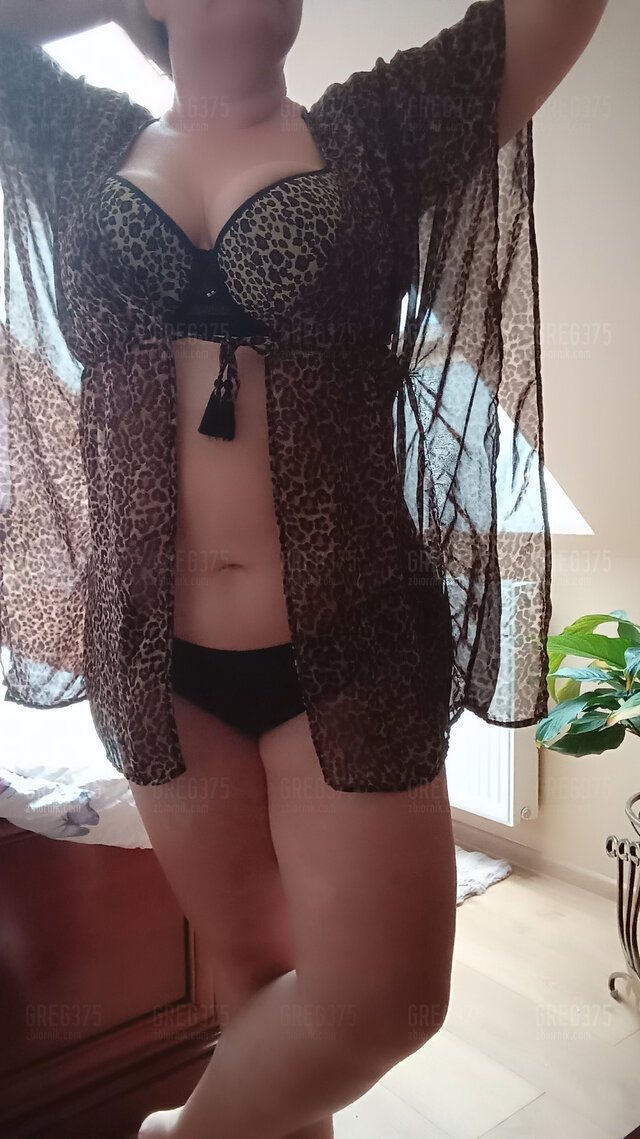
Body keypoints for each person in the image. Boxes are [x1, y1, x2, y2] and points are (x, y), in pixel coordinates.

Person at [0, 2, 608, 1137]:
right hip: (158, 658)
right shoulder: (81, 140)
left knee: (381, 1003)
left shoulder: (375, 133)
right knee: (253, 981)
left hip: (353, 652)